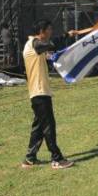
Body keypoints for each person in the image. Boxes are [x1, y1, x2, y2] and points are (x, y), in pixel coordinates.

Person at [21, 20, 74, 169]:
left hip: (40, 93)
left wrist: (69, 37)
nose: (51, 32)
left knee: (39, 127)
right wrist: (64, 36)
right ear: (41, 31)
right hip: (39, 93)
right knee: (48, 126)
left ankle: (29, 158)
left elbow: (51, 53)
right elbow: (51, 45)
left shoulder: (36, 46)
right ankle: (57, 159)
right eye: (49, 29)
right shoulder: (34, 44)